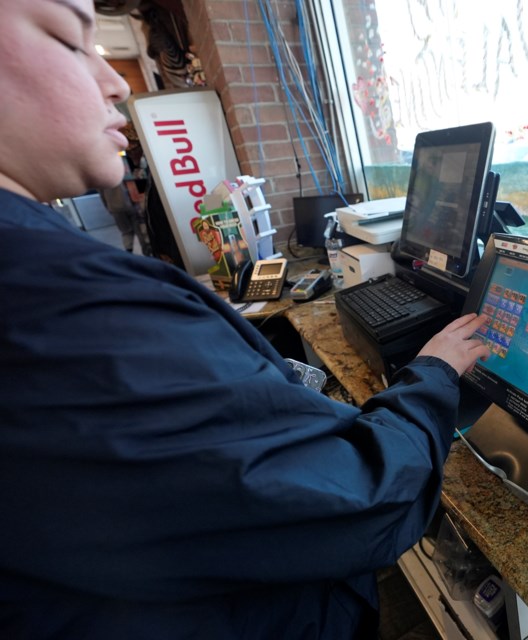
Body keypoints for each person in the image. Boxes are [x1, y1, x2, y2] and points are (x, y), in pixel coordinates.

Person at [0, 1, 490, 637]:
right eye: (68, 39)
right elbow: (366, 495)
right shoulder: (66, 305)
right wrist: (434, 375)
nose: (118, 83)